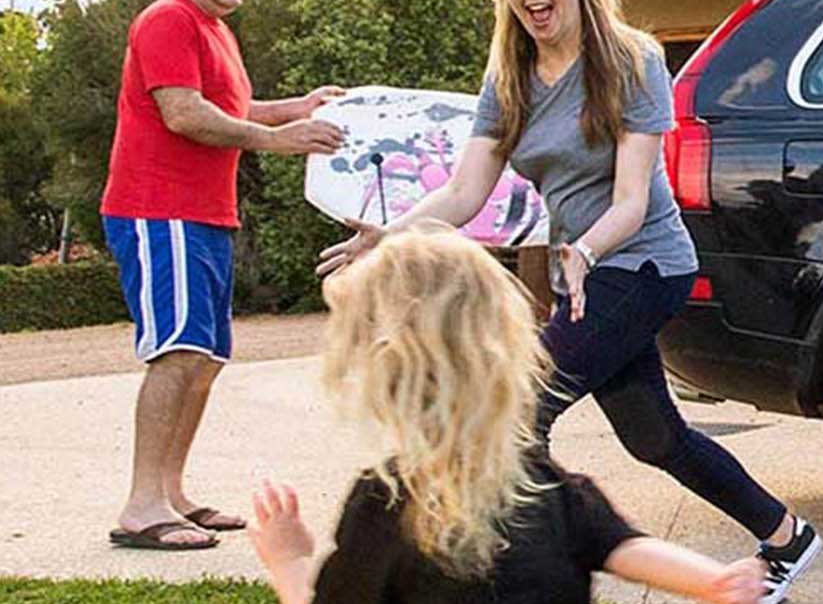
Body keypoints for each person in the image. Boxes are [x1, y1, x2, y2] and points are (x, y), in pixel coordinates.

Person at [318, 0, 820, 602]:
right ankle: (787, 535)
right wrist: (391, 234)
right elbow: (465, 192)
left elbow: (633, 202)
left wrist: (581, 250)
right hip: (585, 275)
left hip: (642, 265)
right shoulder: (510, 78)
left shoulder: (631, 59)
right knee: (655, 438)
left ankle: (503, 572)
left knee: (519, 413)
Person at [249, 224, 767, 604]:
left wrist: (288, 561)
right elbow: (621, 547)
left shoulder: (384, 505)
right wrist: (710, 580)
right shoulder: (544, 485)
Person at [102, 0, 346, 551]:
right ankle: (141, 505)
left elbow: (230, 110)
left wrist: (297, 108)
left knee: (205, 360)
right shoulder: (168, 21)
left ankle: (172, 493)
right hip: (161, 210)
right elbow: (183, 114)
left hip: (206, 215)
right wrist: (276, 139)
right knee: (177, 352)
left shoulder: (215, 32)